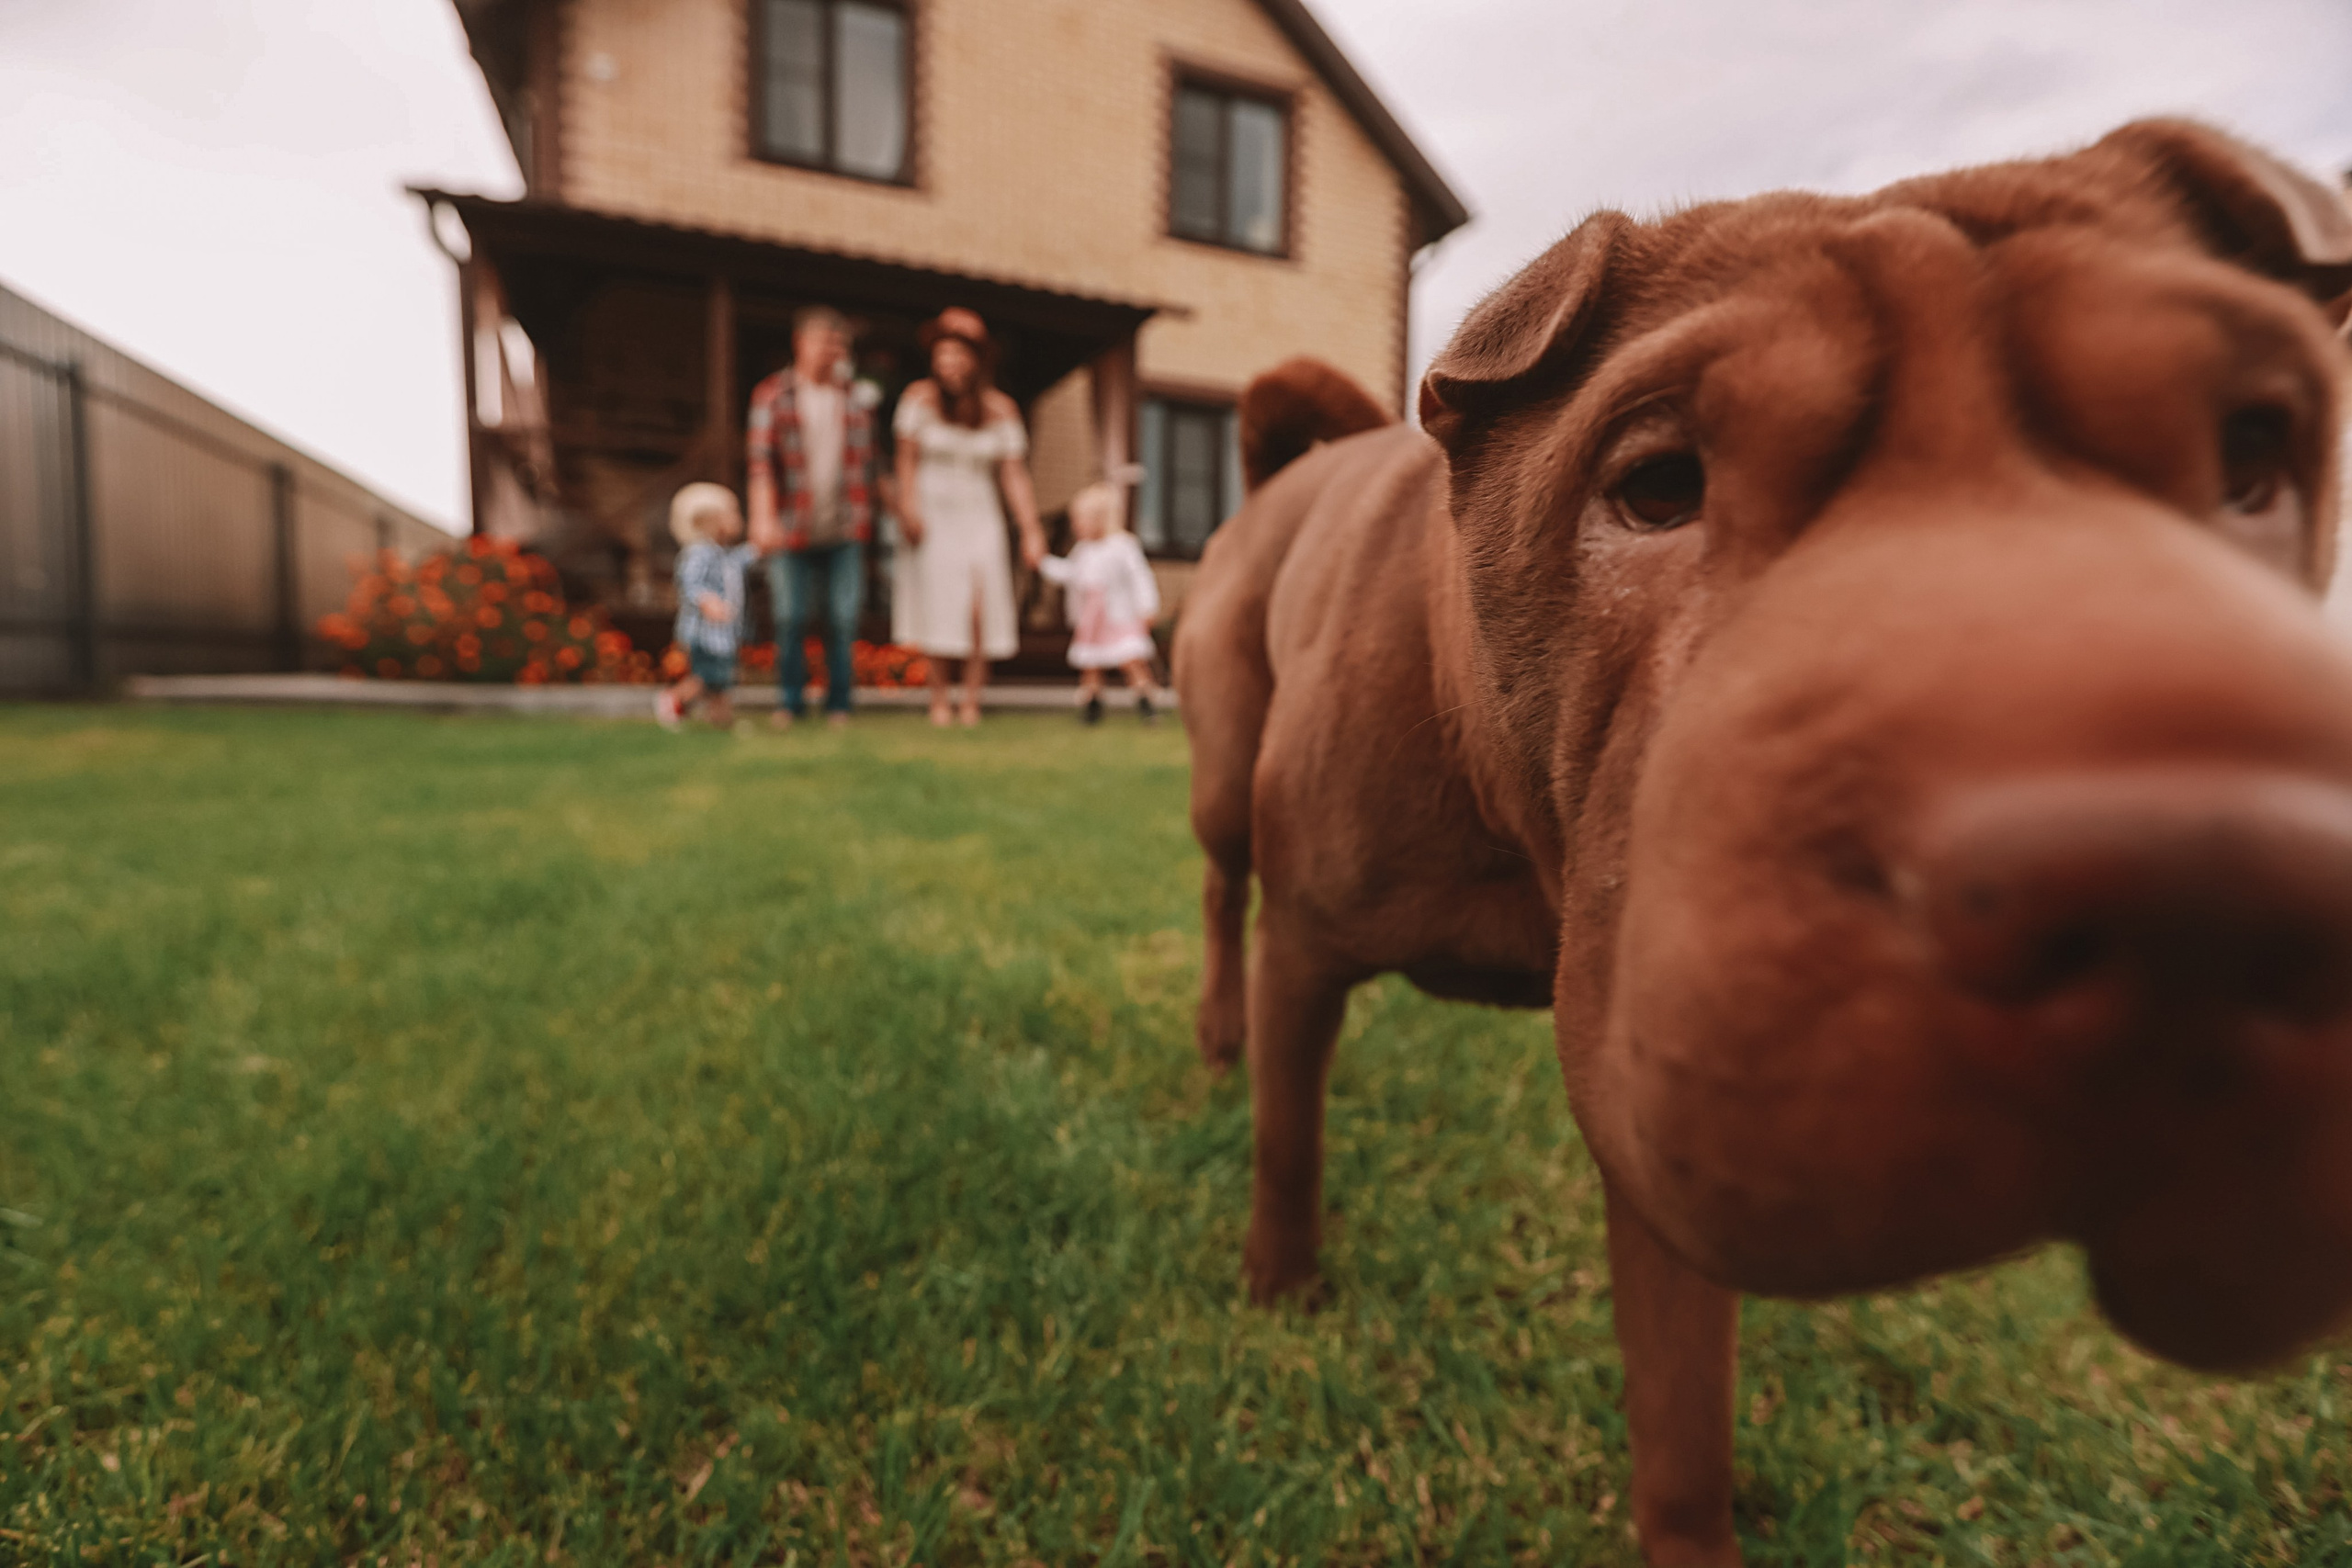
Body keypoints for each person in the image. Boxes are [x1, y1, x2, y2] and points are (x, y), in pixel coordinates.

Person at [892, 308, 1046, 728]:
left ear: (978, 360)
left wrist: (1031, 529)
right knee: (939, 605)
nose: (950, 364)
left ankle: (972, 701)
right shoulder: (917, 399)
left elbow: (1014, 474)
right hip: (933, 511)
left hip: (980, 512)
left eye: (958, 355)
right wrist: (908, 507)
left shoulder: (1001, 410)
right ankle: (939, 698)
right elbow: (905, 461)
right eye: (942, 355)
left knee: (980, 607)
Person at [748, 305, 879, 730]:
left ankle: (839, 704)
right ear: (801, 343)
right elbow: (761, 463)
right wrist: (763, 518)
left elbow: (874, 464)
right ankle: (790, 701)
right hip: (791, 528)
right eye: (826, 342)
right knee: (790, 617)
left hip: (844, 528)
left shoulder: (857, 399)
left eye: (840, 344)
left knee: (843, 619)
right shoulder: (773, 395)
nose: (833, 351)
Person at [1038, 480, 1164, 723]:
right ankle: (1092, 705)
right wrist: (1043, 563)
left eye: (1080, 519)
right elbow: (1069, 573)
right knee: (1091, 665)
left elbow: (1140, 577)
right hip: (1093, 621)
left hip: (1119, 618)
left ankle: (1146, 702)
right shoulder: (1083, 550)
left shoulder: (1123, 547)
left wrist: (1147, 606)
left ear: (1100, 519)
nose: (1076, 525)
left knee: (1131, 661)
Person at [656, 482, 757, 730]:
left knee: (722, 680)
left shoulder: (721, 554)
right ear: (711, 520)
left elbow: (738, 562)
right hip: (705, 634)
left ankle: (720, 719)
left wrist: (760, 549)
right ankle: (673, 699)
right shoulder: (698, 553)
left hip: (723, 634)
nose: (738, 519)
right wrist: (706, 601)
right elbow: (688, 582)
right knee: (710, 678)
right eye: (733, 514)